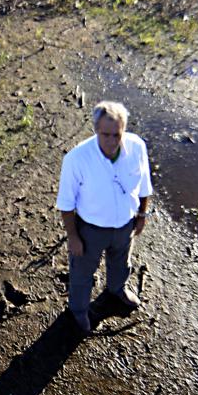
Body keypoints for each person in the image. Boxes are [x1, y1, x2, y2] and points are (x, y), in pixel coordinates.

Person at [55, 100, 153, 335]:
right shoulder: (77, 159)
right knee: (81, 274)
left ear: (124, 130)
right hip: (91, 230)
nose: (111, 141)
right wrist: (73, 237)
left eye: (116, 134)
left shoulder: (137, 147)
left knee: (121, 262)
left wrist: (142, 215)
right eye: (105, 134)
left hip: (125, 225)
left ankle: (116, 290)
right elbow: (66, 204)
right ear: (96, 130)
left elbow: (144, 184)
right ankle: (78, 311)